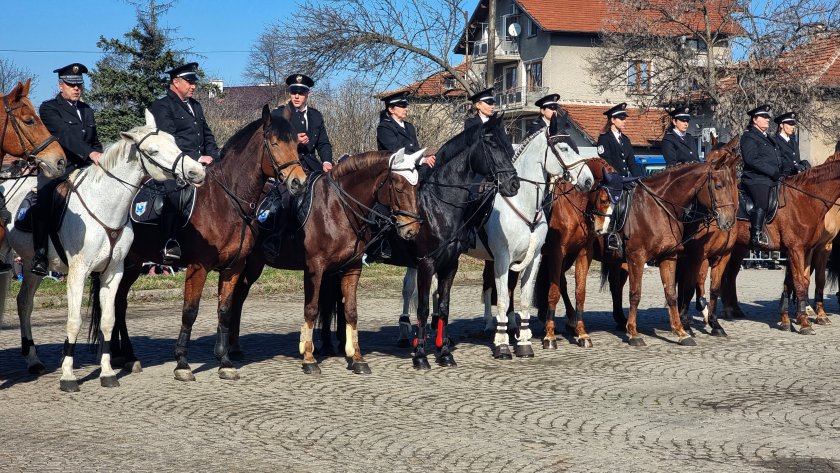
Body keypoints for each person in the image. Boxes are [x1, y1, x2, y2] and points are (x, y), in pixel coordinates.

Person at [31, 63, 103, 276]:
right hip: (58, 169)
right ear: (60, 85)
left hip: (85, 169)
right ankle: (41, 254)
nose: (76, 89)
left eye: (79, 84)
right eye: (71, 85)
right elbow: (64, 135)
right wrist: (90, 154)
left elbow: (95, 142)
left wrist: (100, 157)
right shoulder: (49, 107)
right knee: (43, 200)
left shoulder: (87, 110)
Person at [149, 62, 220, 261]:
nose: (193, 86)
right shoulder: (162, 105)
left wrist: (215, 156)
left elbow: (207, 135)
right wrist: (196, 158)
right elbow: (169, 139)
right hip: (174, 167)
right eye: (189, 82)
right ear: (175, 82)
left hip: (201, 165)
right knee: (173, 194)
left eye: (194, 82)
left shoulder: (195, 106)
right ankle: (169, 242)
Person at [270, 73, 333, 174]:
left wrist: (327, 162)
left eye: (301, 92)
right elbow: (272, 142)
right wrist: (294, 140)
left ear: (308, 93)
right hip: (287, 168)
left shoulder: (316, 116)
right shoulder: (278, 114)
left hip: (313, 167)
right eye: (293, 92)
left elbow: (323, 143)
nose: (296, 96)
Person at [741, 104, 783, 248]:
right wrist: (772, 172)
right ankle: (756, 234)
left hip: (772, 178)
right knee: (762, 201)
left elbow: (777, 158)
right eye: (764, 117)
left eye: (768, 117)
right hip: (755, 179)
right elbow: (751, 159)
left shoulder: (769, 138)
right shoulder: (749, 136)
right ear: (755, 119)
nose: (767, 120)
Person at [376, 91, 435, 167]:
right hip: (394, 169)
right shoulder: (384, 127)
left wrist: (424, 158)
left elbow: (415, 148)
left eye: (406, 106)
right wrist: (421, 160)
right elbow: (396, 150)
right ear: (391, 109)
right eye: (402, 106)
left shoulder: (409, 127)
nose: (406, 109)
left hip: (412, 164)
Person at [597, 103, 643, 178]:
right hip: (612, 180)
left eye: (625, 119)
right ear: (613, 120)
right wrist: (618, 179)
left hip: (625, 180)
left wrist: (639, 179)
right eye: (621, 119)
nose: (624, 121)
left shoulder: (625, 139)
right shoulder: (604, 138)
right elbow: (607, 162)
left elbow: (632, 163)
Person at [774, 112, 809, 176]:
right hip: (783, 179)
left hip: (796, 178)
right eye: (790, 124)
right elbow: (778, 162)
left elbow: (796, 160)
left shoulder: (793, 142)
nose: (793, 127)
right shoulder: (775, 141)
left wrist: (803, 165)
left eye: (794, 124)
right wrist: (794, 166)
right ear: (781, 125)